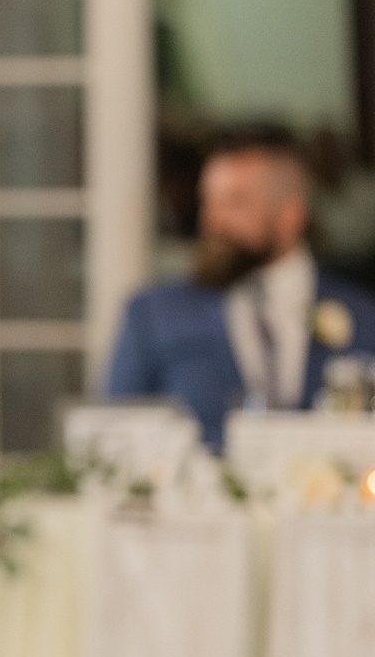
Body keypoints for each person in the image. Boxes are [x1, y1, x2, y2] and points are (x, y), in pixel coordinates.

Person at [109, 127, 375, 450]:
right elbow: (112, 440)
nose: (212, 219)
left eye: (235, 202)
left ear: (291, 214)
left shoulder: (363, 316)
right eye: (207, 201)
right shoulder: (153, 315)